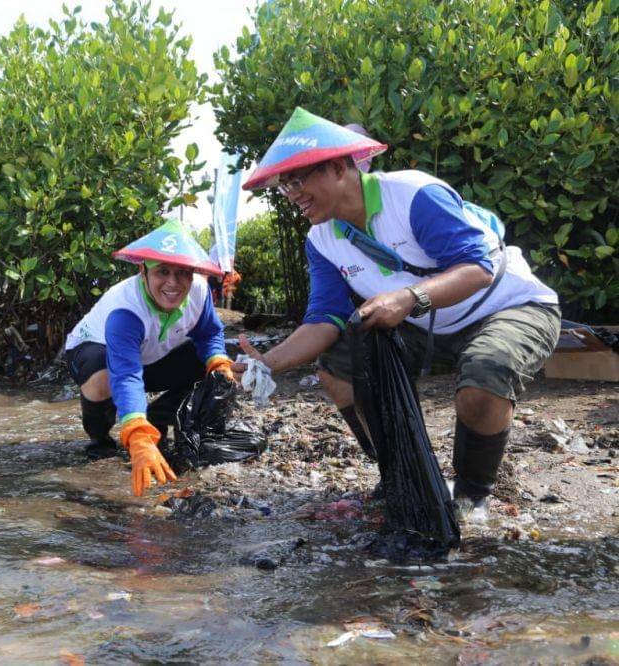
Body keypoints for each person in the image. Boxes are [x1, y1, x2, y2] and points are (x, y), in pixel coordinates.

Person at [234, 107, 560, 522]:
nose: (292, 194)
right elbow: (325, 319)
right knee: (337, 369)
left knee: (485, 375)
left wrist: (408, 298)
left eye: (298, 180)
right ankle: (401, 475)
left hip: (508, 305)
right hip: (429, 323)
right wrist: (268, 362)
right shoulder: (321, 241)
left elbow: (477, 269)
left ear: (338, 168)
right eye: (284, 187)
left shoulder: (412, 195)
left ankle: (471, 498)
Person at [64, 219, 234, 496]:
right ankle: (100, 442)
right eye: (162, 272)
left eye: (183, 273)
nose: (173, 283)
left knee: (214, 369)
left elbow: (209, 334)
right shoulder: (125, 310)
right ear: (143, 272)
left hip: (150, 356)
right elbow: (126, 373)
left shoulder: (200, 291)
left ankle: (158, 416)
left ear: (193, 274)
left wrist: (217, 360)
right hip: (96, 353)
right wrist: (136, 432)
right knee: (102, 379)